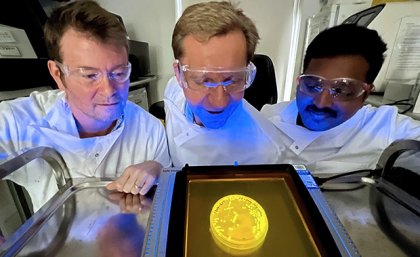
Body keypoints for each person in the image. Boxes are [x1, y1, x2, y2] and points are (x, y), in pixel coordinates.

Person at [0, 0, 170, 212]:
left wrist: (157, 169)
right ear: (57, 74)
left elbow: (164, 204)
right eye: (90, 75)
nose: (109, 91)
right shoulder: (20, 121)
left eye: (118, 73)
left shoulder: (150, 131)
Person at [262, 24, 420, 174]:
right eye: (312, 85)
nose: (321, 102)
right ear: (300, 82)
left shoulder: (385, 127)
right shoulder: (267, 119)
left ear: (365, 94)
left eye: (342, 90)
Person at [164, 1, 283, 167]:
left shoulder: (265, 152)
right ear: (179, 74)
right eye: (202, 80)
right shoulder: (172, 91)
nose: (219, 102)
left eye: (233, 80)